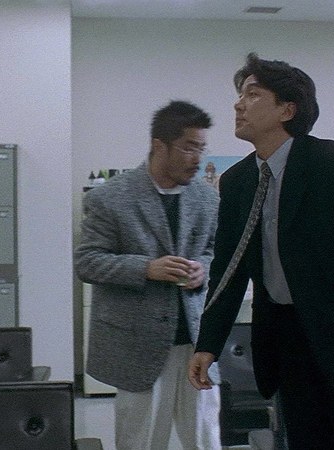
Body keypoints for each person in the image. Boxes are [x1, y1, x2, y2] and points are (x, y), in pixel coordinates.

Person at [188, 53, 334, 449]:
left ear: (287, 110)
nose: (239, 105)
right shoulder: (237, 181)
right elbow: (228, 269)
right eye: (240, 95)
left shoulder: (332, 163)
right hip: (286, 340)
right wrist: (208, 343)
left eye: (253, 95)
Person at [75, 100, 221, 450]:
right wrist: (146, 268)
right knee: (140, 442)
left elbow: (216, 252)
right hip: (137, 346)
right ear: (159, 145)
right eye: (188, 147)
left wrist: (204, 269)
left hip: (196, 342)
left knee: (206, 440)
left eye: (201, 148)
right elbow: (88, 261)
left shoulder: (206, 199)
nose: (197, 158)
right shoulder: (110, 198)